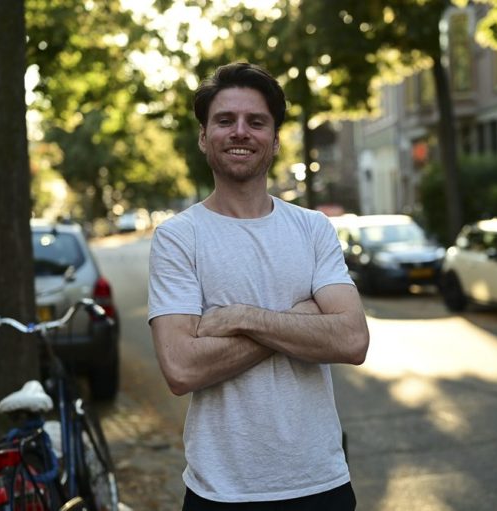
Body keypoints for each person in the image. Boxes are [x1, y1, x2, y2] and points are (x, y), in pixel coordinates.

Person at [147, 62, 370, 510]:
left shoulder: (312, 229)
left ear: (274, 138)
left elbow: (352, 339)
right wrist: (302, 317)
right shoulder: (178, 237)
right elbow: (181, 369)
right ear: (204, 137)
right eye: (225, 120)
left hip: (320, 484)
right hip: (222, 491)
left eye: (256, 122)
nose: (240, 132)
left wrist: (241, 318)